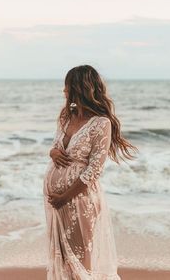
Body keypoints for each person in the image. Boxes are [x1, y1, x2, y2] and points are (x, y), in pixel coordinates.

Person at [43, 65, 138, 279]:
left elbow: (94, 170)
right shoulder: (66, 117)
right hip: (56, 202)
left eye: (67, 86)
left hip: (79, 199)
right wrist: (53, 153)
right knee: (64, 260)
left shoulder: (101, 124)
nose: (64, 91)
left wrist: (64, 197)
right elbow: (57, 146)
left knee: (80, 259)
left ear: (79, 88)